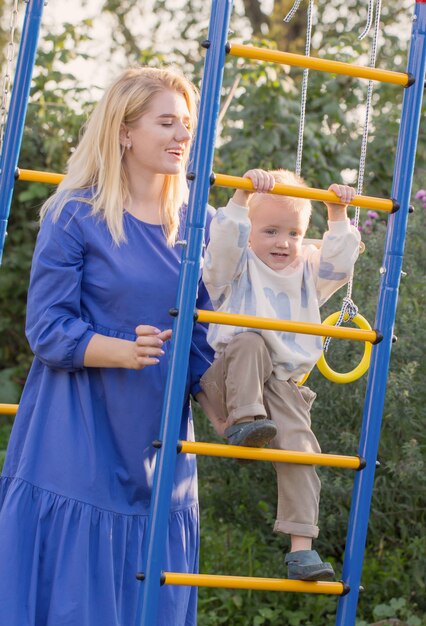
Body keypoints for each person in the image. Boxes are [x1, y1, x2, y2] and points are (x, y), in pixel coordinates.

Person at [0, 67, 215, 626]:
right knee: (78, 600)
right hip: (78, 434)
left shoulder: (200, 223)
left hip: (160, 434)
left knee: (152, 593)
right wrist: (121, 349)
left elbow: (217, 325)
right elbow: (47, 327)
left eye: (186, 124)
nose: (181, 136)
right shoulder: (76, 214)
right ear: (124, 131)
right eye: (165, 122)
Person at [197, 168, 360, 581]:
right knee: (251, 340)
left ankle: (301, 550)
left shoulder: (307, 269)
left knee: (302, 455)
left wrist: (337, 214)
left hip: (282, 387)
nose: (283, 242)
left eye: (293, 232)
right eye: (270, 231)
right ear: (249, 233)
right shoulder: (234, 267)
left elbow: (340, 265)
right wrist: (238, 199)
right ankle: (245, 422)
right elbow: (223, 244)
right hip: (230, 382)